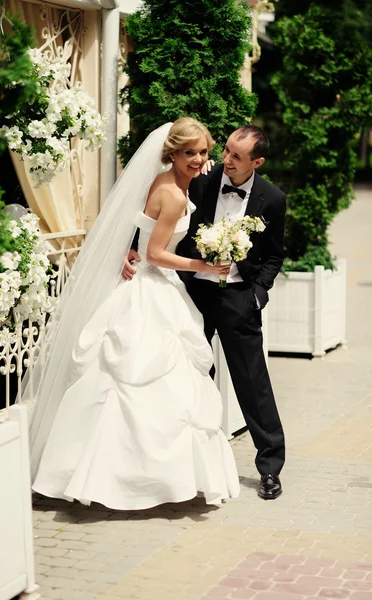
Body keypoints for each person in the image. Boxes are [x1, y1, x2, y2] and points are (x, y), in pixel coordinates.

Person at [24, 118, 240, 510]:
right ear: (170, 152)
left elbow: (134, 224)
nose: (198, 159)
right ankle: (140, 482)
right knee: (138, 381)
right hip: (152, 284)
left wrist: (128, 248)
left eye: (204, 152)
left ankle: (78, 473)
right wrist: (203, 266)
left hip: (139, 280)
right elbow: (157, 254)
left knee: (117, 380)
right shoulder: (173, 195)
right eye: (188, 152)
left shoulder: (158, 179)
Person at [124, 125, 286, 501]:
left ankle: (270, 467)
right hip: (191, 294)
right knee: (192, 378)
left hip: (237, 299)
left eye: (235, 156)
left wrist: (257, 295)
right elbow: (152, 218)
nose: (225, 160)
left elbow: (274, 255)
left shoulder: (272, 199)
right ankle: (194, 466)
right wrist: (130, 249)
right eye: (226, 150)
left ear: (256, 162)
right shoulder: (202, 178)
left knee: (253, 383)